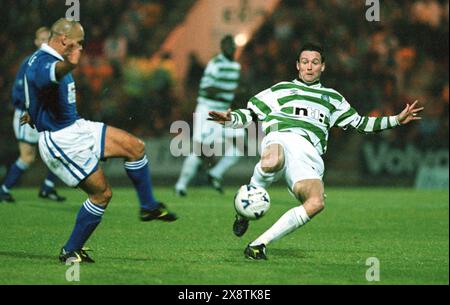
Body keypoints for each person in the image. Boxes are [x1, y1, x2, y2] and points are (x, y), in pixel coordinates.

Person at [208, 43, 424, 260]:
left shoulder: (333, 99)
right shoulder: (280, 90)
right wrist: (231, 119)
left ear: (323, 67)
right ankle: (244, 209)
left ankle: (258, 245)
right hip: (281, 137)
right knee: (272, 160)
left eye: (314, 62)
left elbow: (360, 123)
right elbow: (251, 113)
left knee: (316, 202)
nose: (309, 67)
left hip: (309, 152)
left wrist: (396, 120)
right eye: (304, 62)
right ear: (297, 66)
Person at [22, 18, 177, 263]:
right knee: (102, 195)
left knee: (135, 147)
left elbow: (39, 88)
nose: (82, 48)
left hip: (77, 126)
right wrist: (69, 65)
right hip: (61, 140)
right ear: (64, 40)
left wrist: (33, 110)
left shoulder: (42, 59)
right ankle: (70, 250)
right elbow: (48, 76)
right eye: (79, 43)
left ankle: (148, 207)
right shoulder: (46, 62)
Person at [0, 27, 66, 203]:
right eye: (41, 39)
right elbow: (19, 92)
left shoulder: (54, 62)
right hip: (27, 115)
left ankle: (47, 188)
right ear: (36, 42)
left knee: (59, 152)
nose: (45, 42)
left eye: (48, 39)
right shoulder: (29, 62)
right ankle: (3, 190)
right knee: (27, 157)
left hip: (46, 115)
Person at [175, 35, 244, 196]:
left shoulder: (235, 66)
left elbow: (230, 91)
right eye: (227, 46)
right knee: (200, 149)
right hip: (208, 110)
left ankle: (215, 174)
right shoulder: (215, 64)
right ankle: (181, 185)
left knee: (240, 145)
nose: (231, 49)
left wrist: (234, 97)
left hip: (224, 111)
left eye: (232, 46)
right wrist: (229, 93)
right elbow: (207, 88)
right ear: (222, 47)